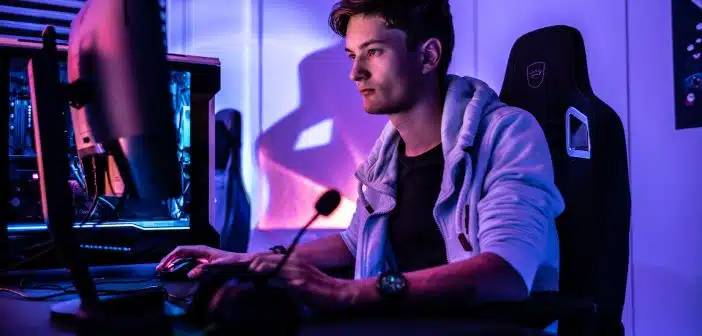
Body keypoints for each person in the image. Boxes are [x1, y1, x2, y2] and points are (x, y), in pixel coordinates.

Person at [157, 0, 564, 313]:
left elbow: (505, 273)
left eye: (374, 52)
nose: (355, 73)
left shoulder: (507, 134)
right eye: (353, 55)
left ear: (428, 56)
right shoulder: (386, 155)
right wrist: (246, 261)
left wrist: (345, 291)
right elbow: (355, 245)